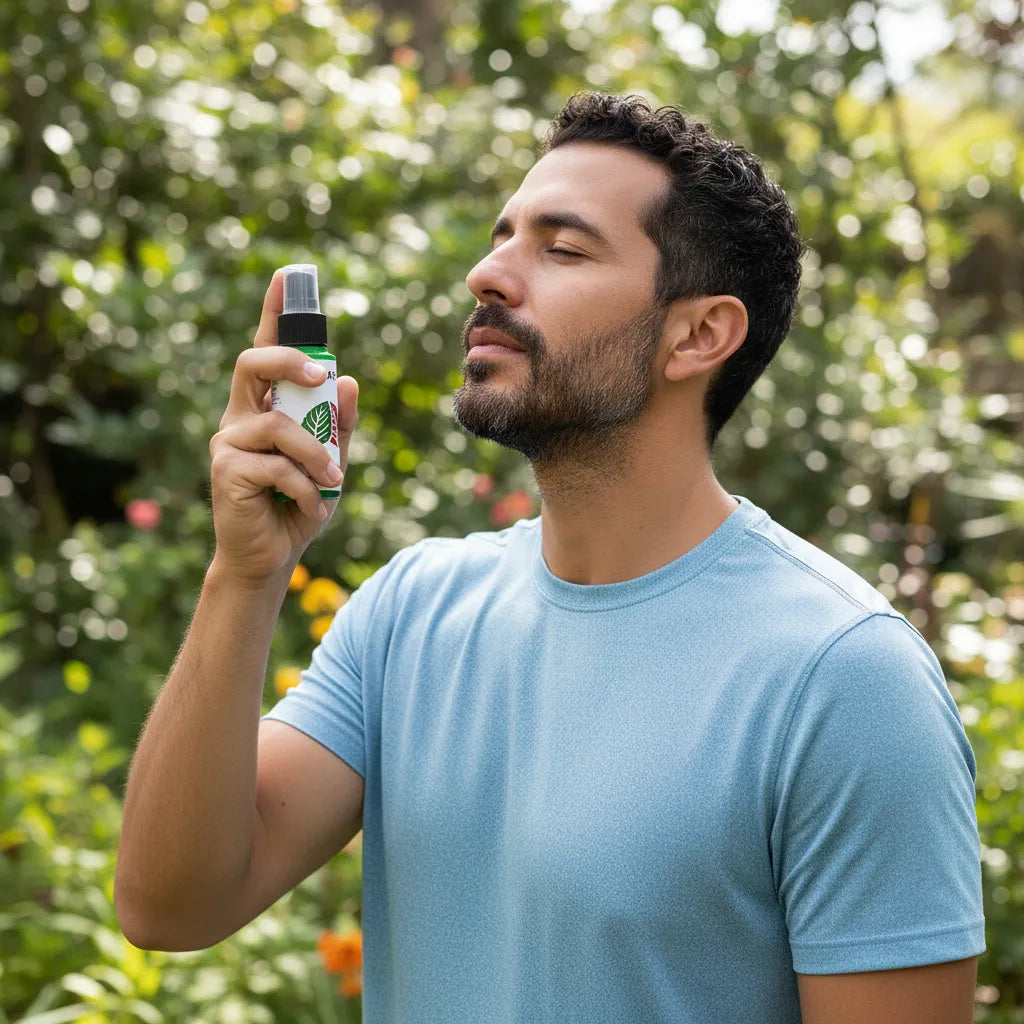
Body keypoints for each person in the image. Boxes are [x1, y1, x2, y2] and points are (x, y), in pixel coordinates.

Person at [115, 92, 984, 1022]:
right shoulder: (411, 611)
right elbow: (171, 905)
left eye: (562, 249)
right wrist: (244, 576)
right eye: (503, 236)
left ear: (698, 334)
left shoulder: (845, 678)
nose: (488, 273)